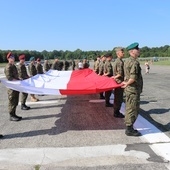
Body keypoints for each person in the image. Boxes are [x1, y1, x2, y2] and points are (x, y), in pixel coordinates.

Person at [122, 42, 143, 136]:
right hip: (133, 90)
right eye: (137, 49)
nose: (139, 50)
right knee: (132, 109)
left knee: (129, 108)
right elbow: (132, 78)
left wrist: (126, 82)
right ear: (132, 51)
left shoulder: (127, 61)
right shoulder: (134, 63)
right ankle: (129, 129)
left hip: (130, 90)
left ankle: (129, 126)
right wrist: (127, 83)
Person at [4, 52, 22, 121]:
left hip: (15, 87)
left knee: (15, 101)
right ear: (8, 58)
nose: (13, 58)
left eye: (13, 57)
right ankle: (11, 115)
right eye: (11, 57)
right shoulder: (8, 66)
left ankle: (14, 114)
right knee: (12, 102)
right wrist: (17, 81)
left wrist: (19, 79)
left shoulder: (13, 66)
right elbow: (10, 78)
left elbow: (15, 76)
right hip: (11, 87)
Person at [111, 47, 125, 118]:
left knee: (117, 98)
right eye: (122, 52)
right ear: (118, 53)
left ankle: (116, 111)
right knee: (119, 98)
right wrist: (115, 77)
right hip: (119, 82)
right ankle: (116, 112)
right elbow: (119, 74)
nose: (123, 53)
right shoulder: (119, 62)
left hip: (118, 82)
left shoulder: (118, 61)